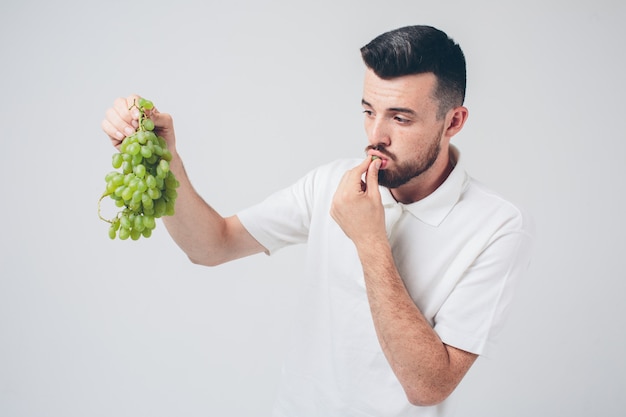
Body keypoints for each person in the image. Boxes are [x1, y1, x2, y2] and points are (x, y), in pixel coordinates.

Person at [102, 25, 533, 417]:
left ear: (453, 121)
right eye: (368, 111)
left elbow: (428, 386)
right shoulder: (331, 182)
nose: (375, 136)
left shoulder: (494, 225)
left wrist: (370, 241)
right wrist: (167, 156)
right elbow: (210, 245)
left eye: (401, 118)